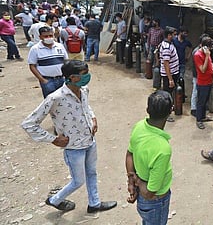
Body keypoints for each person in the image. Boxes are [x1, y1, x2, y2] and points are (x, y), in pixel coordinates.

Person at [21, 60, 117, 214]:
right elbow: (29, 123)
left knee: (92, 173)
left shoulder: (84, 90)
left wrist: (93, 118)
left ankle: (94, 203)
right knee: (78, 181)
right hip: (74, 148)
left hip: (90, 141)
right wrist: (52, 139)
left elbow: (86, 107)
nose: (88, 76)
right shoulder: (55, 98)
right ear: (72, 77)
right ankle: (55, 200)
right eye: (84, 74)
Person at [126, 90, 173, 225]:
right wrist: (138, 182)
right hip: (156, 202)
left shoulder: (140, 126)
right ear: (171, 111)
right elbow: (149, 192)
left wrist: (131, 181)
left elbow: (130, 154)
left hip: (144, 200)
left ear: (147, 109)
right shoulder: (163, 149)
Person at [28, 26, 69, 98]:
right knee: (50, 102)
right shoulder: (35, 49)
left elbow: (66, 61)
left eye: (50, 35)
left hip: (62, 79)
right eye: (45, 36)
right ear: (40, 37)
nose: (48, 37)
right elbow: (32, 66)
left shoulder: (60, 46)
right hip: (47, 81)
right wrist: (42, 80)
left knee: (64, 100)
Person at [157, 26, 179, 122]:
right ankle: (166, 113)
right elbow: (166, 64)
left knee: (170, 93)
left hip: (173, 73)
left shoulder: (169, 44)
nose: (176, 36)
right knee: (167, 95)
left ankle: (169, 108)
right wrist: (170, 79)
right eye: (174, 35)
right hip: (168, 75)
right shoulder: (166, 47)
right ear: (169, 35)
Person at [193, 36, 213, 129]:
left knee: (205, 101)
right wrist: (206, 56)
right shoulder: (198, 55)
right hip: (202, 82)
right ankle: (198, 120)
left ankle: (203, 117)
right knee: (201, 102)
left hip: (209, 80)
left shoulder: (207, 54)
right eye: (210, 47)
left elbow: (209, 65)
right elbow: (202, 69)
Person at [190, 34, 210, 117]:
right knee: (196, 92)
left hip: (203, 77)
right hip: (197, 75)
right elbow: (201, 68)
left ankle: (201, 112)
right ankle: (193, 109)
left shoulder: (205, 52)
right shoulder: (197, 53)